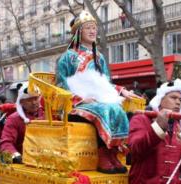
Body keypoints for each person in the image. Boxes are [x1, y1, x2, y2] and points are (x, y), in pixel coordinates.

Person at [55, 10, 138, 174]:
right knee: (105, 109)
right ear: (79, 32)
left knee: (118, 109)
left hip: (97, 100)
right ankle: (102, 155)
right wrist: (82, 98)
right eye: (88, 28)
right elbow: (61, 84)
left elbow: (105, 83)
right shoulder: (67, 57)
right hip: (75, 104)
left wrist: (122, 91)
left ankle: (112, 152)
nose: (93, 31)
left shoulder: (99, 57)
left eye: (94, 28)